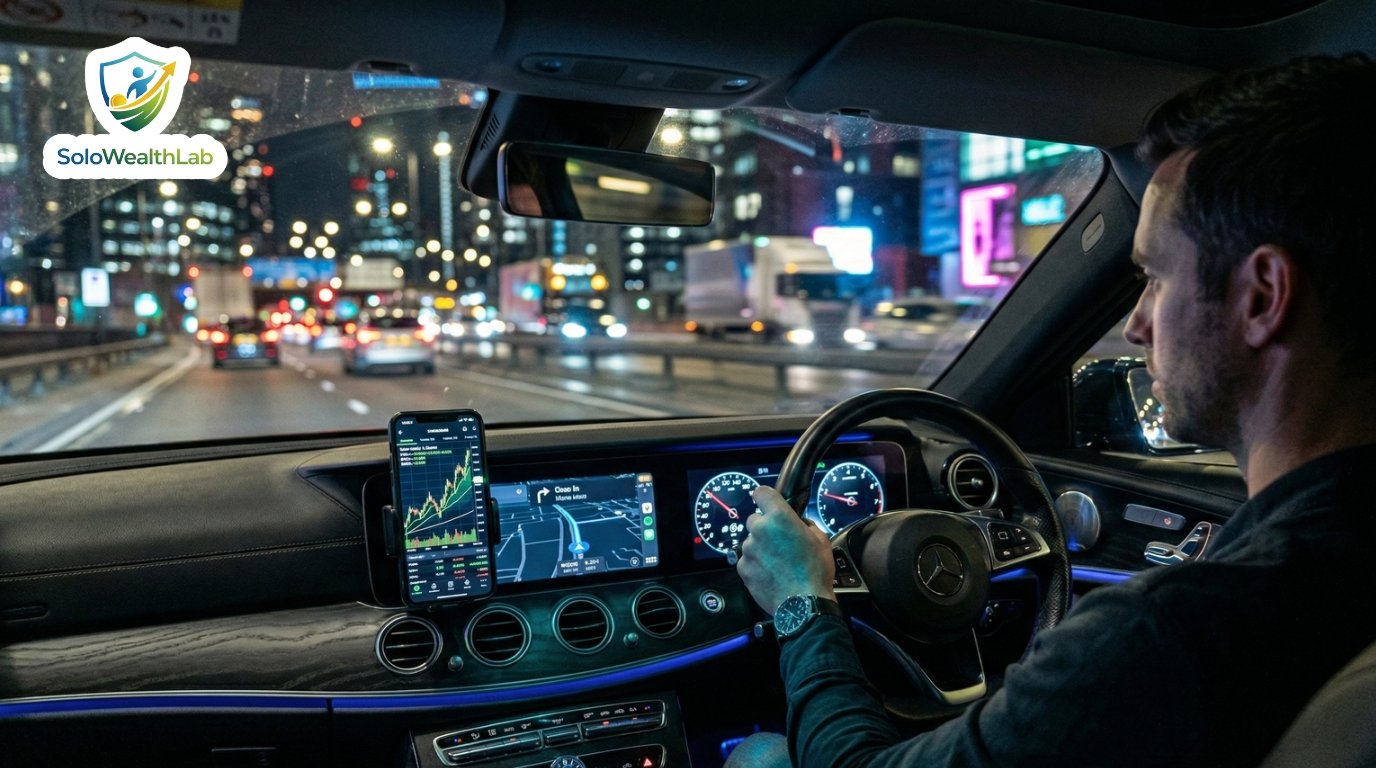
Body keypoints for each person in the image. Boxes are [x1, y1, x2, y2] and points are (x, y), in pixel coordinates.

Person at [728, 53, 1376, 767]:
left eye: (1156, 279)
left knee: (761, 757)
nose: (1136, 323)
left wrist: (802, 603)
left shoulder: (1162, 637)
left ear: (1261, 296)